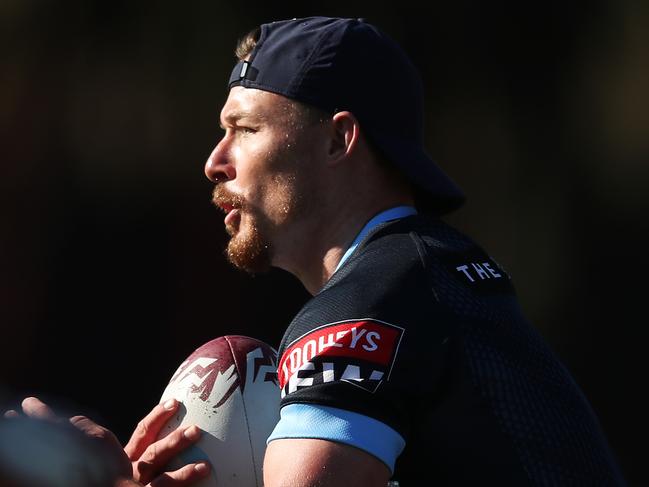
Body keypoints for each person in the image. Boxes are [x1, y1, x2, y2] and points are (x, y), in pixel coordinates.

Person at [7, 16, 625, 486]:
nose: (213, 162)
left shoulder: (373, 298)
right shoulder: (431, 274)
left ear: (338, 139)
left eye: (244, 129)